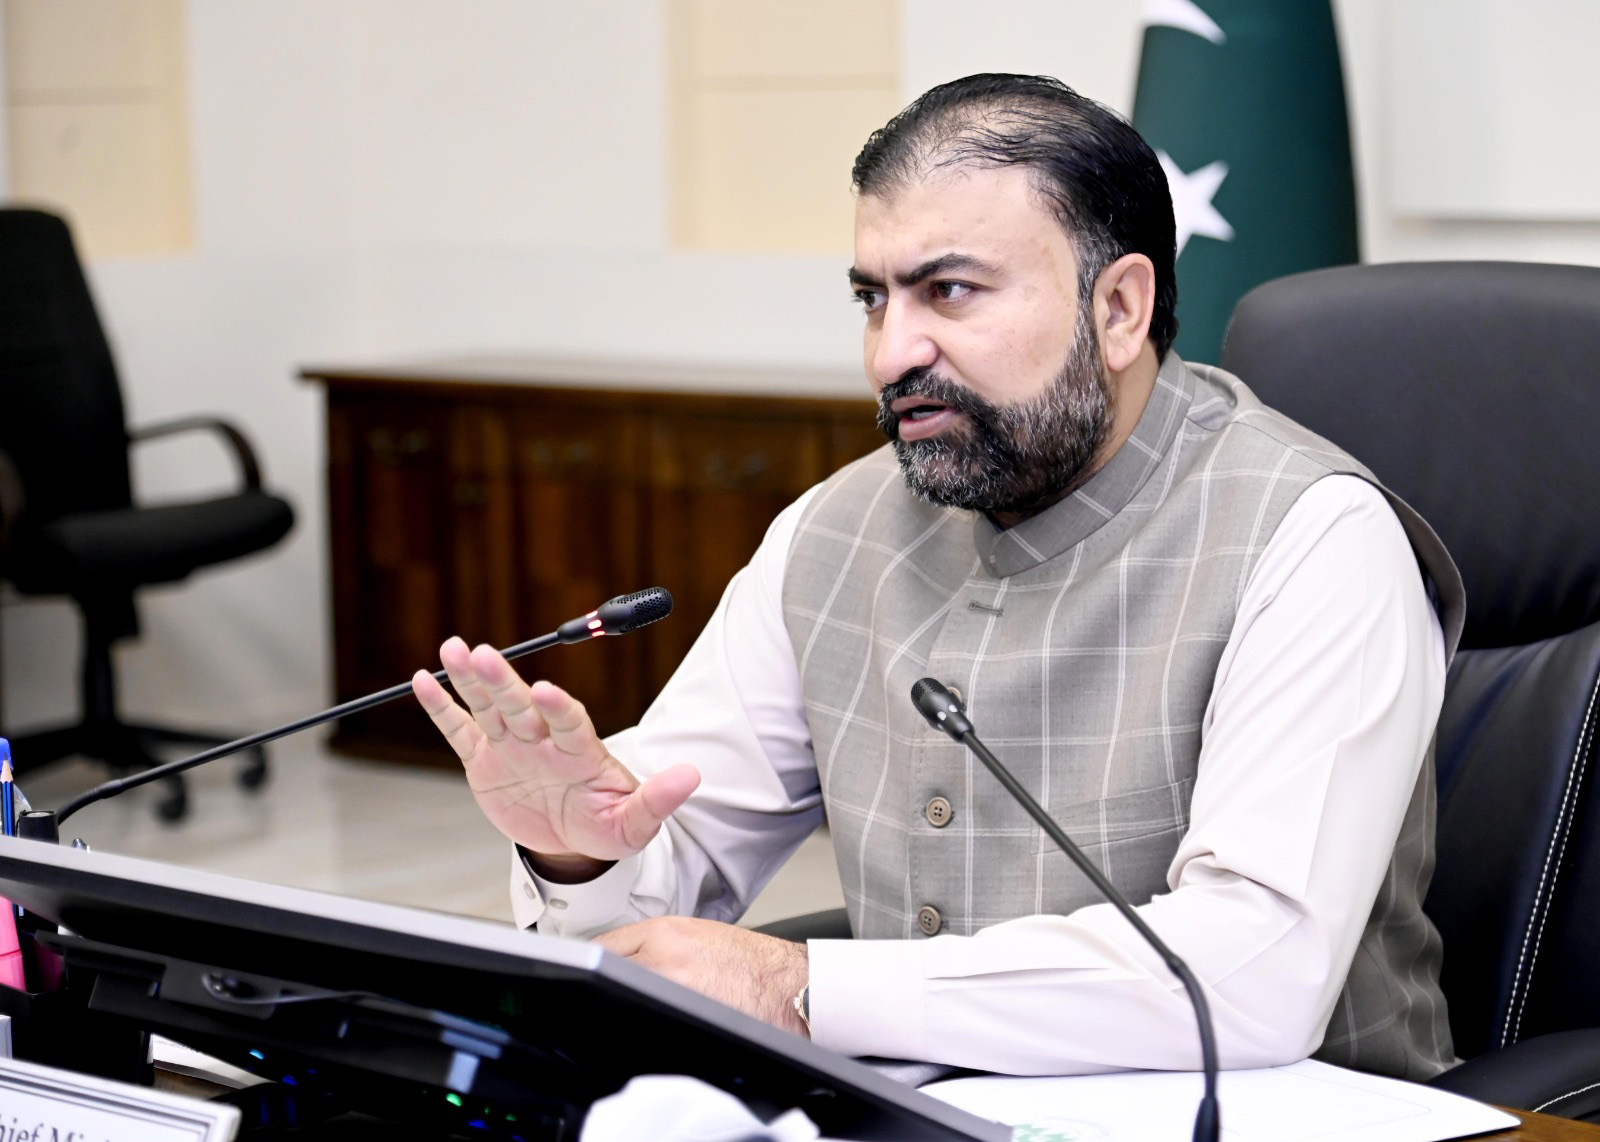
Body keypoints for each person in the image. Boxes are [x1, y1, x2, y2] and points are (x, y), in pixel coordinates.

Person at [412, 74, 1464, 1080]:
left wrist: (807, 986)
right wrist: (582, 857)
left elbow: (1251, 977)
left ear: (1119, 308)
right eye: (874, 299)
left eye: (949, 291)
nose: (890, 355)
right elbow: (663, 866)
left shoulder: (1313, 535)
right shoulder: (833, 531)